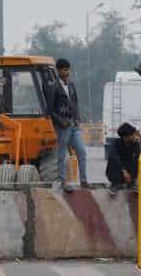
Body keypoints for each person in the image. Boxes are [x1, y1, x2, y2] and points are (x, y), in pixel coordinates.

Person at [45, 58, 88, 193]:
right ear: (58, 71)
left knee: (81, 151)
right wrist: (60, 121)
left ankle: (84, 181)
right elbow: (50, 110)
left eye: (68, 69)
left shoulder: (71, 85)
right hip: (62, 125)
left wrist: (78, 119)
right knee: (62, 154)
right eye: (64, 70)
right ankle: (63, 181)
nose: (67, 72)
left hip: (73, 124)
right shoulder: (53, 86)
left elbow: (75, 103)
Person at [105, 123, 141, 195]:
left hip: (129, 175)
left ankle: (133, 183)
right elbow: (113, 156)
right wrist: (124, 170)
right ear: (125, 137)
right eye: (132, 134)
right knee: (113, 159)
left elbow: (138, 155)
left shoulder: (135, 143)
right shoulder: (115, 143)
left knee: (137, 158)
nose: (134, 135)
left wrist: (137, 145)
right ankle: (114, 185)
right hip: (116, 173)